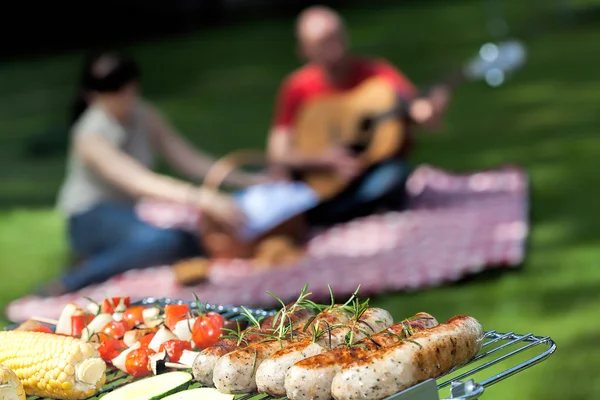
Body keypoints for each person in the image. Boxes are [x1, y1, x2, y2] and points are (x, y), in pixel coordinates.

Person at [38, 51, 259, 296]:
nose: (124, 96)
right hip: (90, 216)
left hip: (131, 213)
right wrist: (204, 198)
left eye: (127, 87)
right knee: (161, 241)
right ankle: (71, 281)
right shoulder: (89, 134)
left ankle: (122, 257)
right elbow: (139, 182)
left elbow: (187, 158)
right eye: (114, 90)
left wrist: (248, 179)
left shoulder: (143, 114)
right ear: (91, 96)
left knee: (192, 240)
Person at [267, 5, 452, 226]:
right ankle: (339, 210)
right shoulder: (297, 88)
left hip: (371, 171)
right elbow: (278, 152)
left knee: (392, 176)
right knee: (277, 180)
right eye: (322, 42)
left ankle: (334, 212)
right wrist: (326, 160)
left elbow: (417, 111)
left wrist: (429, 112)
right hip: (320, 178)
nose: (333, 49)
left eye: (335, 38)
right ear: (304, 50)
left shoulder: (377, 74)